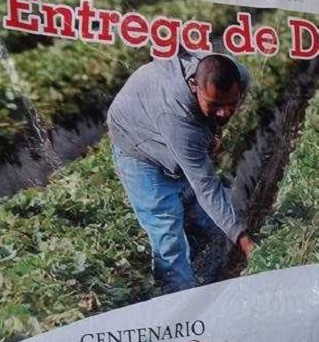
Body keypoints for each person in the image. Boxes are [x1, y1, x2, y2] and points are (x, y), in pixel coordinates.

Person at [107, 51, 255, 294]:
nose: (224, 112)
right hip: (137, 144)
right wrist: (245, 241)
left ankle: (203, 278)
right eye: (215, 105)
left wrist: (215, 132)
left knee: (206, 223)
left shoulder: (241, 76)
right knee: (168, 234)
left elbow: (218, 115)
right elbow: (206, 186)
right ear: (194, 86)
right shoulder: (176, 115)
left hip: (163, 121)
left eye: (231, 104)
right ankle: (181, 304)